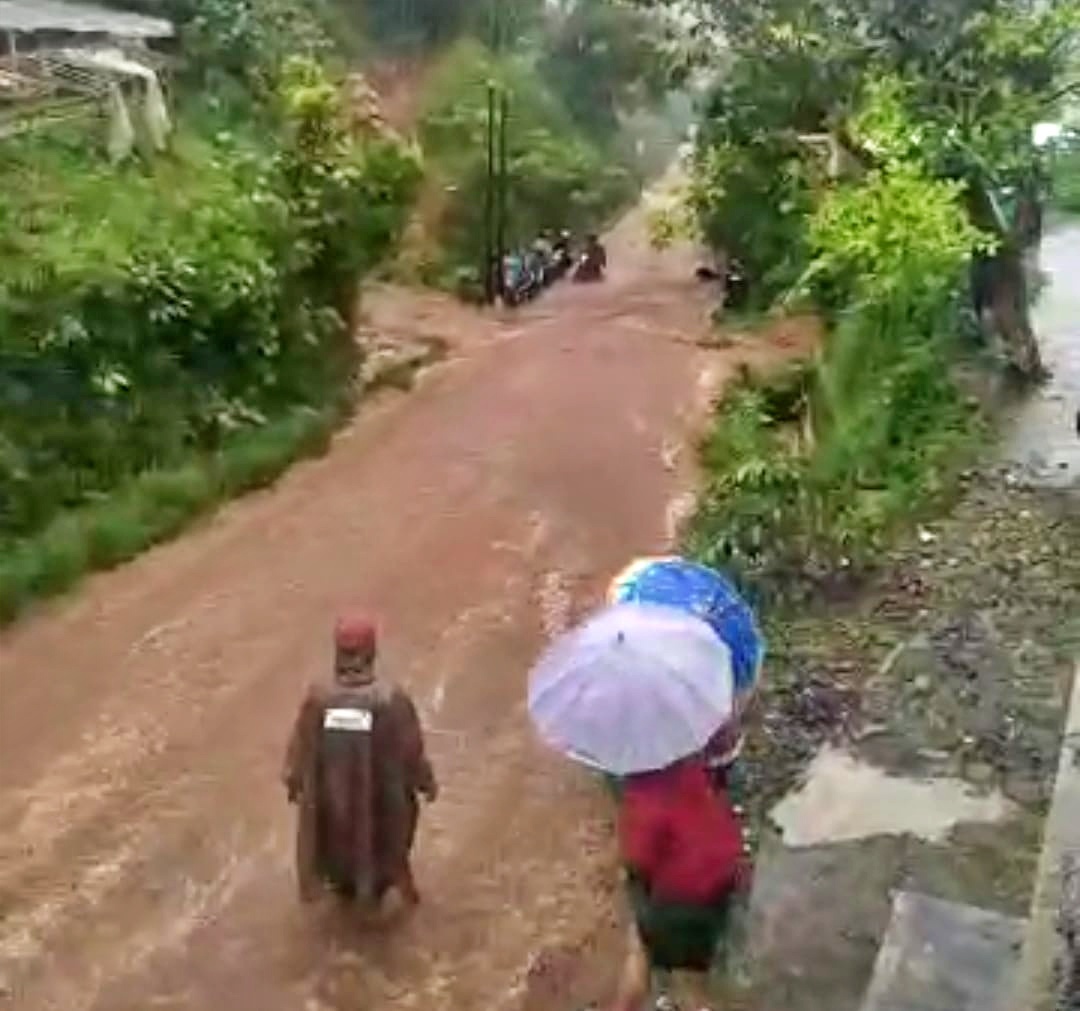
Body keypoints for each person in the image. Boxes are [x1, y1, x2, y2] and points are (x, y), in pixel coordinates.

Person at [283, 613, 437, 910]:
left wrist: (293, 780)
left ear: (337, 652)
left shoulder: (318, 698)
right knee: (385, 880)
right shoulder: (391, 700)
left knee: (337, 893)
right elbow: (411, 753)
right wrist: (426, 783)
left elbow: (299, 751)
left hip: (331, 821)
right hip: (381, 820)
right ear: (372, 652)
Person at [612, 756, 751, 1011]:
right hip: (720, 881)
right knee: (689, 973)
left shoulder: (643, 798)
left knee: (652, 962)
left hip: (680, 899)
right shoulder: (692, 769)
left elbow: (639, 859)